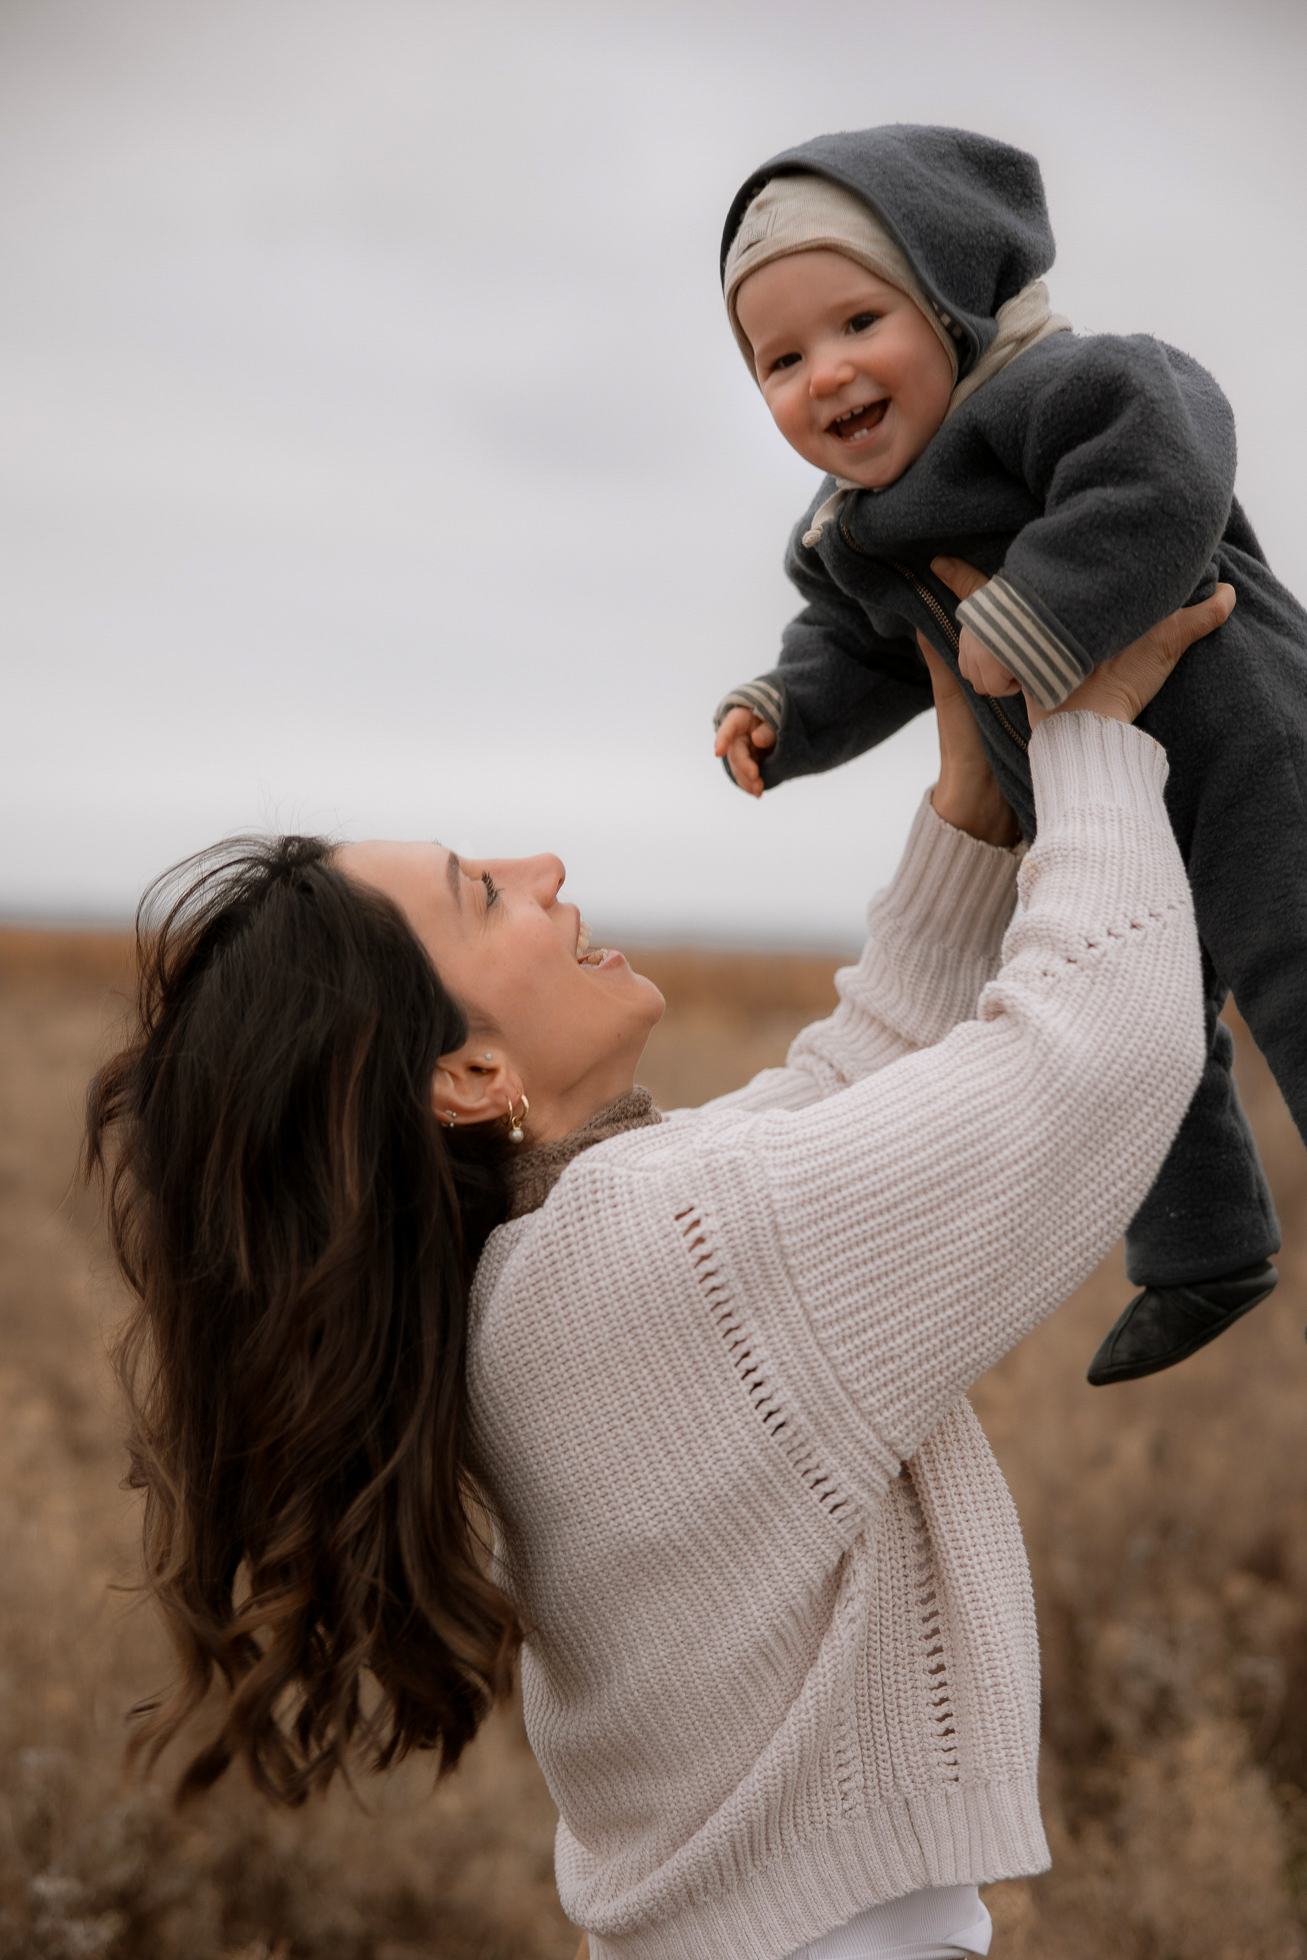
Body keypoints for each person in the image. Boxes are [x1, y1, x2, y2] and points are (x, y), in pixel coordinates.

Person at [87, 582, 1223, 1960]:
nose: (544, 867)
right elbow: (1096, 1055)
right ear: (468, 1074)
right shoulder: (647, 1255)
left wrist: (971, 819)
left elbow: (841, 1096)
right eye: (482, 893)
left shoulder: (549, 1267)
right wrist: (1093, 732)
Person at [711, 123, 1307, 1387]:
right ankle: (1202, 1251)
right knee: (1132, 1012)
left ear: (948, 300)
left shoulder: (1050, 387)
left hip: (1236, 733)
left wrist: (1040, 611)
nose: (825, 373)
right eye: (780, 359)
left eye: (858, 322)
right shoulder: (855, 530)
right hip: (1086, 797)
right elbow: (853, 641)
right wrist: (784, 711)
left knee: (1292, 952)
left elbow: (1167, 456)